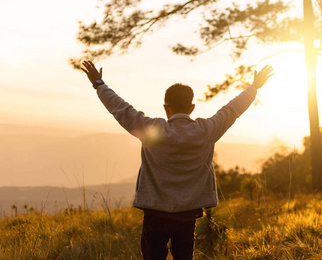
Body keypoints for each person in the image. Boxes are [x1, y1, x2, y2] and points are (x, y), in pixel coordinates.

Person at [81, 60, 273, 260]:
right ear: (191, 107)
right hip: (187, 216)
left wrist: (99, 84)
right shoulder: (206, 131)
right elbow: (233, 109)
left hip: (154, 215)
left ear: (166, 108)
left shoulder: (152, 130)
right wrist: (254, 87)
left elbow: (120, 109)